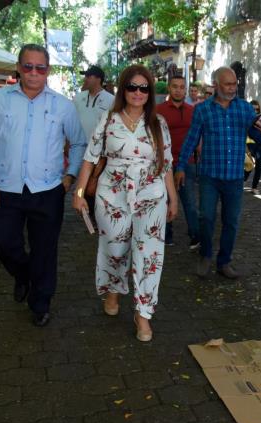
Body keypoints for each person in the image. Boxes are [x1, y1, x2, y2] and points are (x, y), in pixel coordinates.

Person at [0, 44, 87, 327]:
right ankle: (22, 274)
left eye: (40, 67)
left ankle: (40, 303)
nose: (34, 73)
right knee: (2, 242)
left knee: (45, 251)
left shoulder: (62, 105)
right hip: (4, 188)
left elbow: (79, 142)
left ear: (48, 70)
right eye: (28, 66)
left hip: (48, 190)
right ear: (19, 68)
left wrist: (69, 177)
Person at [72, 65, 178, 341]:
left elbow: (165, 165)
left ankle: (143, 314)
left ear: (150, 92)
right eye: (132, 86)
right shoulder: (108, 119)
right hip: (112, 194)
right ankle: (113, 290)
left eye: (144, 88)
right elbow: (90, 157)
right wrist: (79, 192)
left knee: (149, 255)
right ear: (123, 89)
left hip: (151, 195)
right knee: (115, 248)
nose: (138, 92)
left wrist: (172, 198)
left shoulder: (158, 123)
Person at [177, 67, 261, 279]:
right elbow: (191, 139)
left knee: (231, 221)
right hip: (210, 175)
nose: (232, 88)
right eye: (227, 84)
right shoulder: (203, 110)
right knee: (206, 217)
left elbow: (259, 137)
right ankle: (206, 255)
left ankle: (224, 261)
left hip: (235, 177)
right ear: (216, 85)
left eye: (234, 84)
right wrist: (181, 166)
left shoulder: (245, 109)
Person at [160, 75, 200, 249]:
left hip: (188, 162)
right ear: (169, 88)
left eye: (182, 87)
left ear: (186, 89)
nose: (178, 90)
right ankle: (166, 235)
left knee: (190, 201)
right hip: (164, 163)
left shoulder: (193, 110)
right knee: (165, 200)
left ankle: (195, 235)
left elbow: (199, 134)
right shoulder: (158, 110)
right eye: (175, 86)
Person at [73, 65, 115, 217]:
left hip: (101, 151)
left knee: (95, 183)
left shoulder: (111, 100)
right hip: (80, 148)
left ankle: (97, 214)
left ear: (98, 79)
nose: (86, 79)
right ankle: (86, 208)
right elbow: (72, 122)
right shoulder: (78, 98)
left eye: (89, 76)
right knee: (84, 182)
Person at [244, 100, 261, 193]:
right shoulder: (246, 118)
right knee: (249, 164)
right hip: (250, 144)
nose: (255, 111)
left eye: (257, 109)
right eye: (253, 109)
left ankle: (254, 187)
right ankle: (243, 180)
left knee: (259, 166)